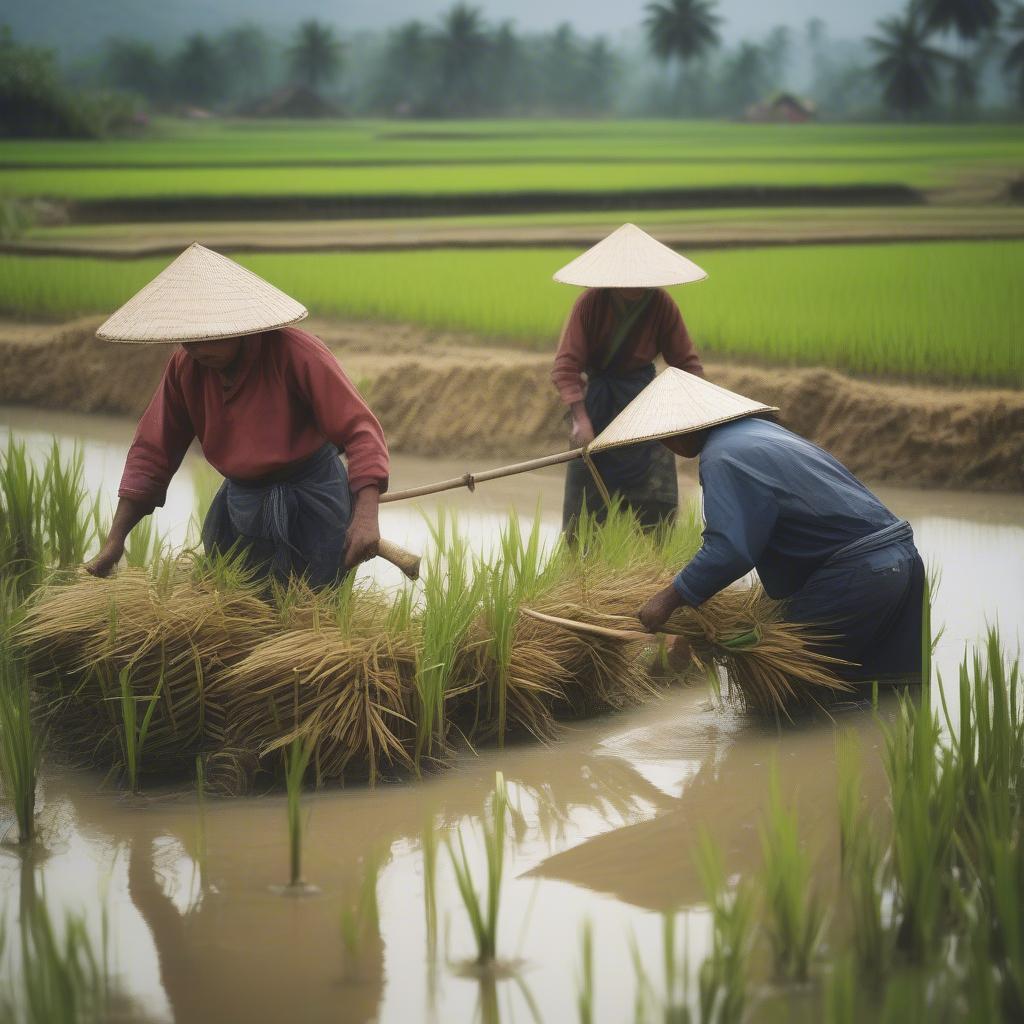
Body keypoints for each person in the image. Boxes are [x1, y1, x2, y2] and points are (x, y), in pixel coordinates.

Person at [85, 243, 389, 589]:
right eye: (187, 340)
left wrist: (365, 516)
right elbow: (153, 451)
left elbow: (361, 431)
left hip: (312, 499)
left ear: (240, 326)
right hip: (242, 502)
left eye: (207, 337)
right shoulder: (187, 367)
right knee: (239, 610)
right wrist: (115, 539)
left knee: (310, 612)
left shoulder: (296, 354)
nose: (195, 349)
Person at [626, 370, 925, 682]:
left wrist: (667, 600)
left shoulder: (722, 457)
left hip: (857, 576)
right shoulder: (761, 433)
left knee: (791, 692)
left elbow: (729, 551)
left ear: (679, 428)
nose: (665, 444)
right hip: (903, 562)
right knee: (888, 694)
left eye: (662, 435)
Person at [550, 223, 707, 535]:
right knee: (583, 518)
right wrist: (580, 420)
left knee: (655, 513)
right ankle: (583, 579)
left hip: (644, 408)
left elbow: (687, 364)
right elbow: (565, 367)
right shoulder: (590, 304)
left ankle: (650, 575)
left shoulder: (661, 304)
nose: (635, 284)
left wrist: (695, 411)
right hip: (598, 408)